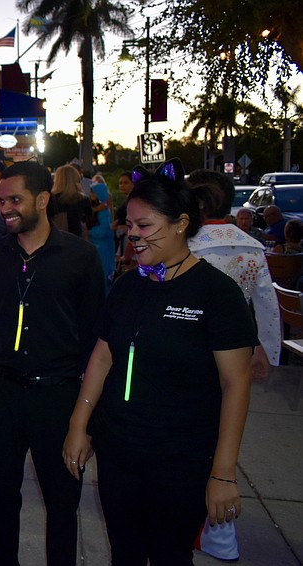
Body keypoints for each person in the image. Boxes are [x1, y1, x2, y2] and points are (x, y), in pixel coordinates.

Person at [63, 159, 257, 566]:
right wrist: (79, 425)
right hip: (118, 451)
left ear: (181, 223)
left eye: (144, 225)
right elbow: (102, 356)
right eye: (129, 224)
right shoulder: (128, 285)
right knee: (125, 554)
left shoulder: (215, 294)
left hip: (180, 457)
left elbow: (236, 383)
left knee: (170, 555)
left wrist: (223, 473)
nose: (132, 234)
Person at [0, 161, 105, 566]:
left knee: (63, 503)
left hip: (58, 397)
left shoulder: (81, 257)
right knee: (3, 499)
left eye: (15, 200)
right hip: (2, 395)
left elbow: (96, 338)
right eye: (1, 199)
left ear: (42, 200)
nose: (4, 207)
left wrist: (87, 414)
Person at [186, 168, 281, 560]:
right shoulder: (250, 246)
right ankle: (220, 533)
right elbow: (266, 304)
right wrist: (268, 352)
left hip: (189, 351)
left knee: (193, 442)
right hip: (234, 355)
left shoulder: (187, 245)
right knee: (225, 437)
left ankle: (200, 523)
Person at [51, 164, 92, 238]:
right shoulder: (83, 199)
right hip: (76, 237)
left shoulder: (51, 199)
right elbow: (89, 220)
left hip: (55, 237)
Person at [88, 178, 116, 287]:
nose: (92, 194)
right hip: (96, 245)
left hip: (103, 246)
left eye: (94, 192)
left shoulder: (103, 211)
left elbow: (106, 229)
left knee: (104, 271)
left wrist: (90, 232)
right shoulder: (95, 208)